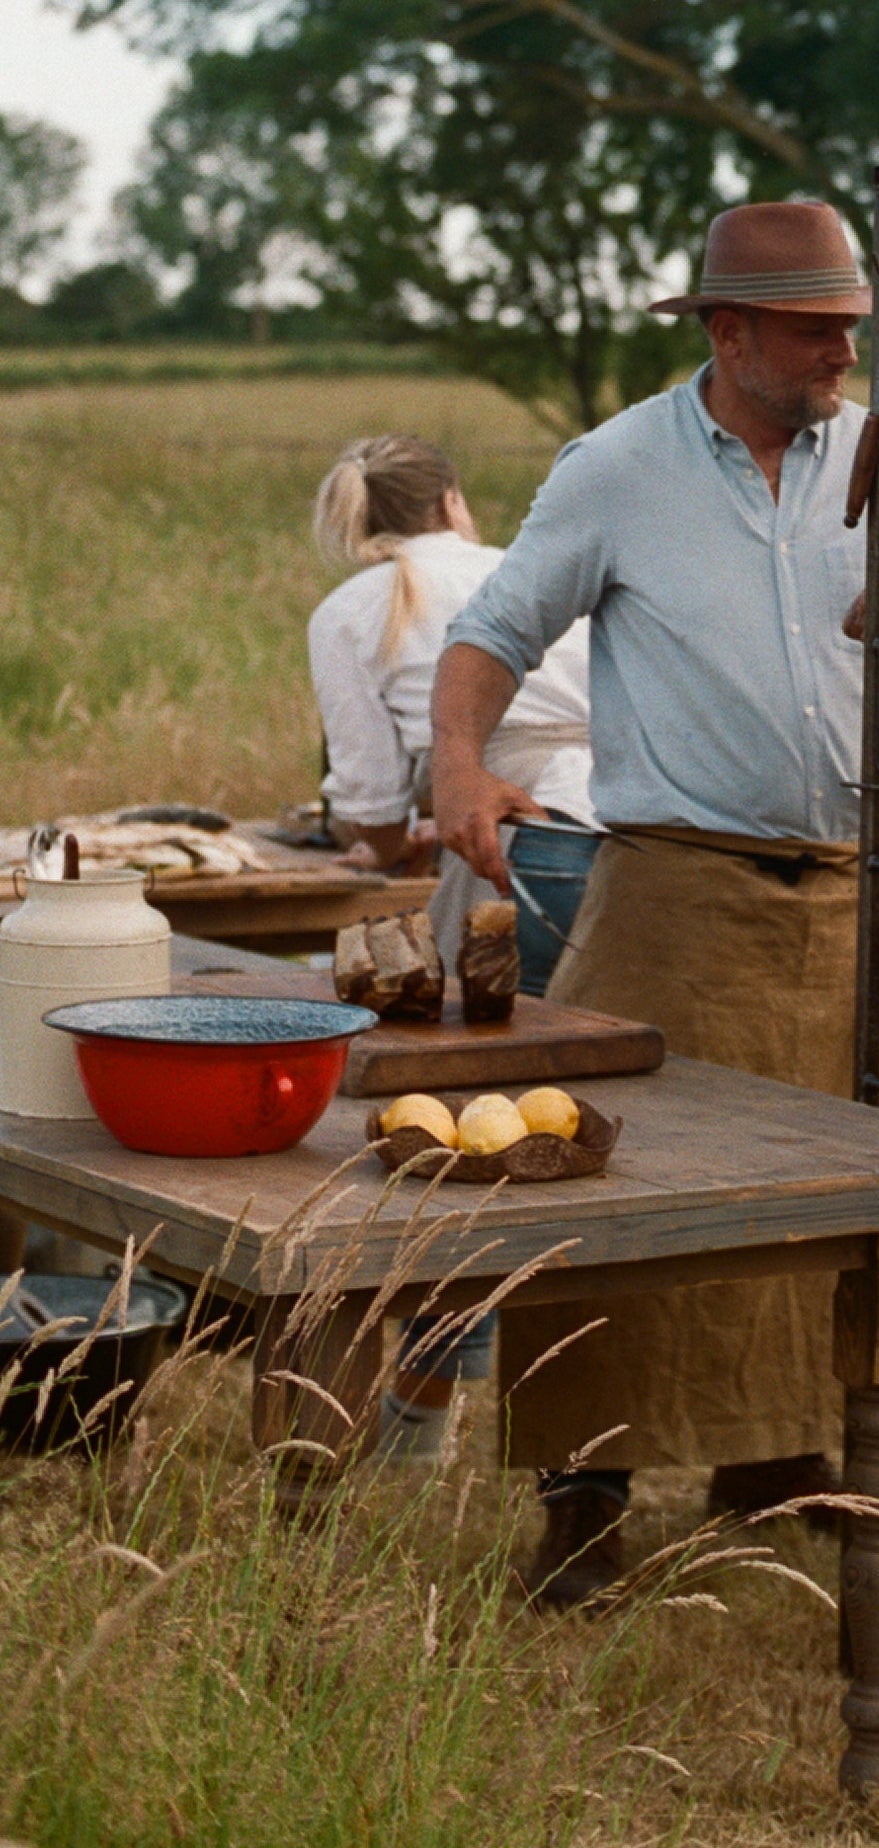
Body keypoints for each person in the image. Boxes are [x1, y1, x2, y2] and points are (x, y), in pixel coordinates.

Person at [430, 198, 879, 1607]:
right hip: (672, 896)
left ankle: (785, 1459)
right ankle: (583, 1503)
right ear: (727, 331)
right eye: (813, 330)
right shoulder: (617, 467)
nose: (842, 353)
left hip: (851, 900)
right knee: (615, 1192)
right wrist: (457, 765)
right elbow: (494, 629)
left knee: (839, 1206)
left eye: (852, 327)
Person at [307, 433, 598, 1459]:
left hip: (512, 860)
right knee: (586, 1132)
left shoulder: (355, 609)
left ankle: (421, 1415)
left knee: (465, 1135)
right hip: (623, 839)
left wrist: (385, 836)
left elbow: (373, 811)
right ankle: (574, 1430)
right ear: (453, 502)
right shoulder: (527, 565)